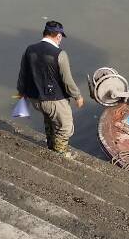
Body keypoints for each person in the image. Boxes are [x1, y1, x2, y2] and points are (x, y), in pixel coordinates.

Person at [17, 21, 84, 158]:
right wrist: (77, 96)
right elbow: (67, 80)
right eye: (60, 37)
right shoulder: (59, 54)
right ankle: (60, 154)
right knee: (65, 126)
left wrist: (21, 92)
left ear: (45, 33)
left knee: (50, 119)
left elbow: (23, 73)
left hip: (35, 99)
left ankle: (50, 146)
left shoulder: (30, 49)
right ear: (58, 36)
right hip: (53, 99)